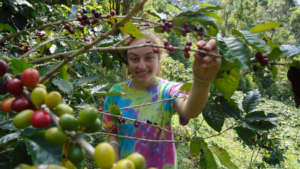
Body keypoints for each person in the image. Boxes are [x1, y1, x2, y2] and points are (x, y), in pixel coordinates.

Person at [102, 31, 221, 169]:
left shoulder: (166, 91)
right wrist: (114, 163)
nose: (141, 66)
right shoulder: (116, 93)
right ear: (127, 62)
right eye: (134, 59)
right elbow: (112, 133)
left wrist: (202, 81)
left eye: (149, 58)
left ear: (159, 59)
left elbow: (190, 110)